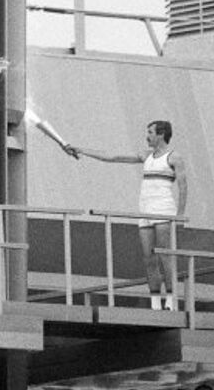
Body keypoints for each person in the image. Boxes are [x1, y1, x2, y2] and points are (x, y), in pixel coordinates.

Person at [63, 120, 187, 311]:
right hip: (145, 210)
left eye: (151, 132)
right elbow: (112, 157)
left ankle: (170, 299)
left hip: (164, 211)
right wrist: (82, 150)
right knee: (148, 258)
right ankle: (155, 301)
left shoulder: (174, 157)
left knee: (165, 256)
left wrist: (179, 215)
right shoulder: (146, 155)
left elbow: (183, 186)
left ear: (161, 134)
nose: (147, 136)